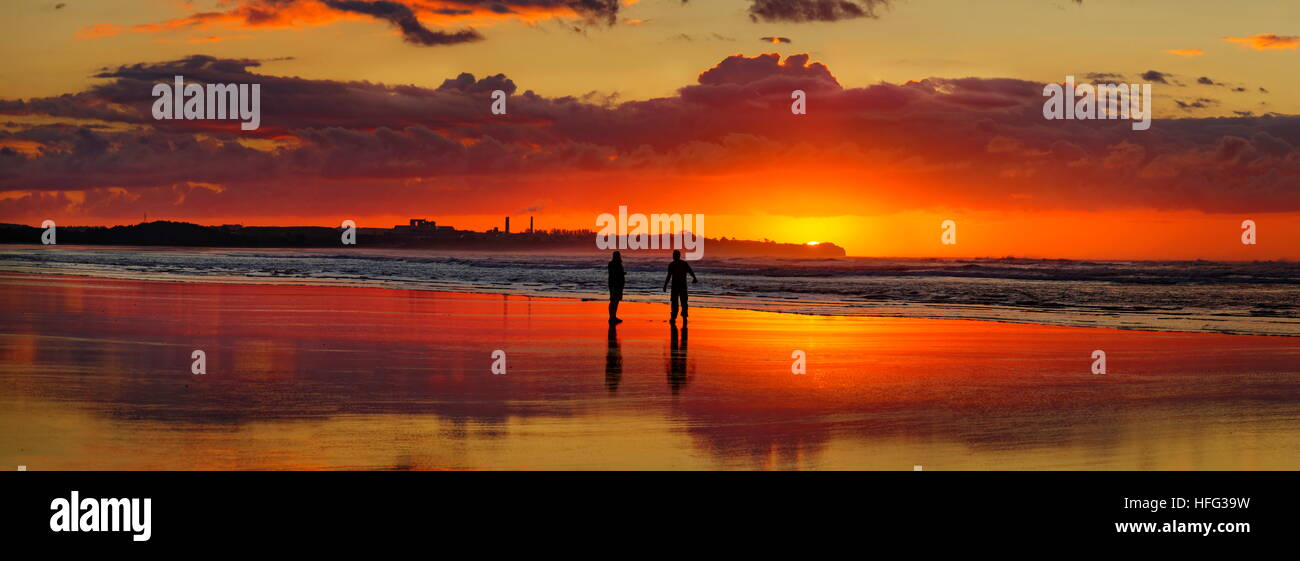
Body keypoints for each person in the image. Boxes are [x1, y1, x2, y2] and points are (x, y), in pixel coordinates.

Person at [662, 250, 697, 323]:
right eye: (673, 255)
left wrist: (665, 285)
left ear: (676, 256)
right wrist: (694, 278)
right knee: (683, 302)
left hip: (676, 286)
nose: (673, 256)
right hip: (682, 286)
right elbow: (690, 271)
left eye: (674, 255)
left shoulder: (672, 264)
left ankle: (674, 317)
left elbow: (668, 276)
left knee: (676, 302)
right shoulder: (683, 264)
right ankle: (682, 317)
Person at [608, 251, 626, 324]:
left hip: (614, 284)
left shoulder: (612, 263)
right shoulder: (616, 264)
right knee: (614, 301)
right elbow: (615, 274)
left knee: (614, 301)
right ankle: (612, 317)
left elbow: (612, 273)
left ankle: (612, 317)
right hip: (616, 284)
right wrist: (622, 274)